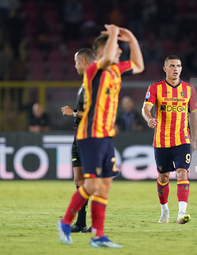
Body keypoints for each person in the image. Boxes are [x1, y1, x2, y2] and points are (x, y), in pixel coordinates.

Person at [57, 24, 144, 248]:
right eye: (117, 48)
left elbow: (139, 65)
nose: (120, 51)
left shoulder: (116, 69)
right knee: (93, 185)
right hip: (90, 134)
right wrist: (113, 32)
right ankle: (66, 222)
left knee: (104, 186)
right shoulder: (93, 69)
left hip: (106, 135)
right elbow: (105, 57)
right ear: (105, 51)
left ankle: (99, 235)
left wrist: (131, 37)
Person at [141, 55, 197, 224]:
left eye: (178, 66)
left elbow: (193, 115)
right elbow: (145, 108)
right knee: (163, 177)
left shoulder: (189, 89)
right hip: (161, 140)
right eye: (172, 66)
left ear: (181, 69)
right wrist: (148, 118)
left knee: (182, 173)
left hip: (182, 139)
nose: (176, 68)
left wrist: (194, 139)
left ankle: (182, 213)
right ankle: (165, 211)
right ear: (165, 69)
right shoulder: (155, 88)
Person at [60, 48, 96, 233]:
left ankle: (96, 223)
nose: (74, 66)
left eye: (75, 62)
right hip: (79, 135)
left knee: (90, 181)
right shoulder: (85, 83)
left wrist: (72, 112)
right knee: (79, 180)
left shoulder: (93, 83)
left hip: (89, 137)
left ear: (83, 61)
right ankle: (81, 223)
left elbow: (95, 114)